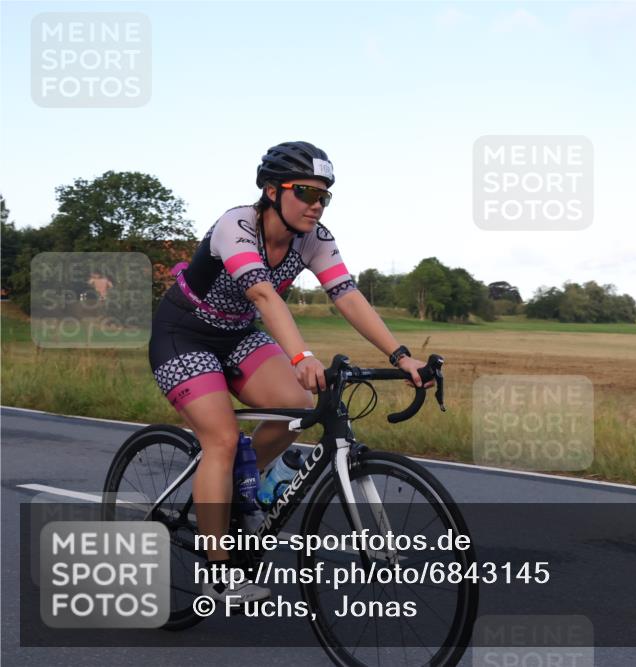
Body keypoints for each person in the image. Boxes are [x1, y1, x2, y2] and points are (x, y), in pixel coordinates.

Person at [148, 141, 430, 604]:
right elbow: (263, 294)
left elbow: (348, 296)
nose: (316, 204)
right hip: (184, 333)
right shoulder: (236, 224)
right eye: (306, 192)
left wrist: (402, 355)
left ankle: (242, 486)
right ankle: (218, 571)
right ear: (272, 190)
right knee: (219, 438)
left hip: (237, 334)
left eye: (325, 196)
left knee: (299, 406)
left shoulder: (314, 238)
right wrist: (301, 357)